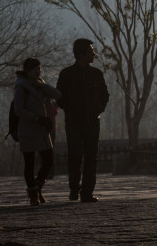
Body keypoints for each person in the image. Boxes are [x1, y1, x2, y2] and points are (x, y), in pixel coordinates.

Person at [56, 38, 110, 202]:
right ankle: (74, 189)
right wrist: (72, 110)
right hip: (73, 122)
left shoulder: (96, 74)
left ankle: (87, 192)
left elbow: (105, 95)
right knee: (75, 156)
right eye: (91, 51)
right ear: (82, 54)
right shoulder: (67, 74)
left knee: (91, 157)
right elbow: (60, 97)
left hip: (92, 121)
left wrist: (97, 109)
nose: (94, 54)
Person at [14, 57, 61, 206]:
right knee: (30, 163)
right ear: (27, 70)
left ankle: (37, 188)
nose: (38, 71)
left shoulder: (40, 84)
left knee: (48, 161)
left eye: (39, 69)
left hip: (42, 130)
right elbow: (18, 109)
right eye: (35, 69)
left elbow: (57, 95)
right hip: (28, 129)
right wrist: (36, 118)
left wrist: (41, 85)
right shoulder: (21, 86)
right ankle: (33, 194)